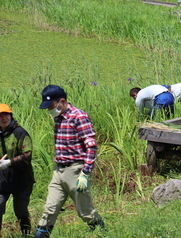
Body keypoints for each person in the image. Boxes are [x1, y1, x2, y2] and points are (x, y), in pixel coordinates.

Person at [35, 85, 105, 237]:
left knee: (85, 212)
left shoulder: (79, 117)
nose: (50, 110)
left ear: (62, 101)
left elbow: (91, 146)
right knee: (49, 209)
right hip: (58, 170)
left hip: (75, 170)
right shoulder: (58, 118)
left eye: (52, 106)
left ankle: (103, 232)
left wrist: (85, 173)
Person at [0, 104, 34, 237]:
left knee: (20, 211)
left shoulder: (20, 133)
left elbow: (27, 155)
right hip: (2, 180)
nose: (4, 118)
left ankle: (26, 235)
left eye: (6, 115)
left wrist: (9, 162)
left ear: (11, 116)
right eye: (1, 116)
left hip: (22, 180)